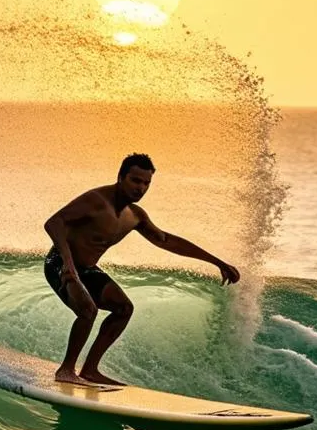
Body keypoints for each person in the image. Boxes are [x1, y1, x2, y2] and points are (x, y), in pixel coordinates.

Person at [43, 153, 240, 386]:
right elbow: (54, 222)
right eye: (135, 180)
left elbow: (165, 240)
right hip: (59, 263)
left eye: (146, 183)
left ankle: (90, 370)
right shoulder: (96, 201)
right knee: (88, 310)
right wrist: (68, 266)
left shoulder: (134, 216)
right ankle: (66, 370)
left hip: (87, 268)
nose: (141, 188)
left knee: (124, 308)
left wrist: (217, 262)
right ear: (120, 177)